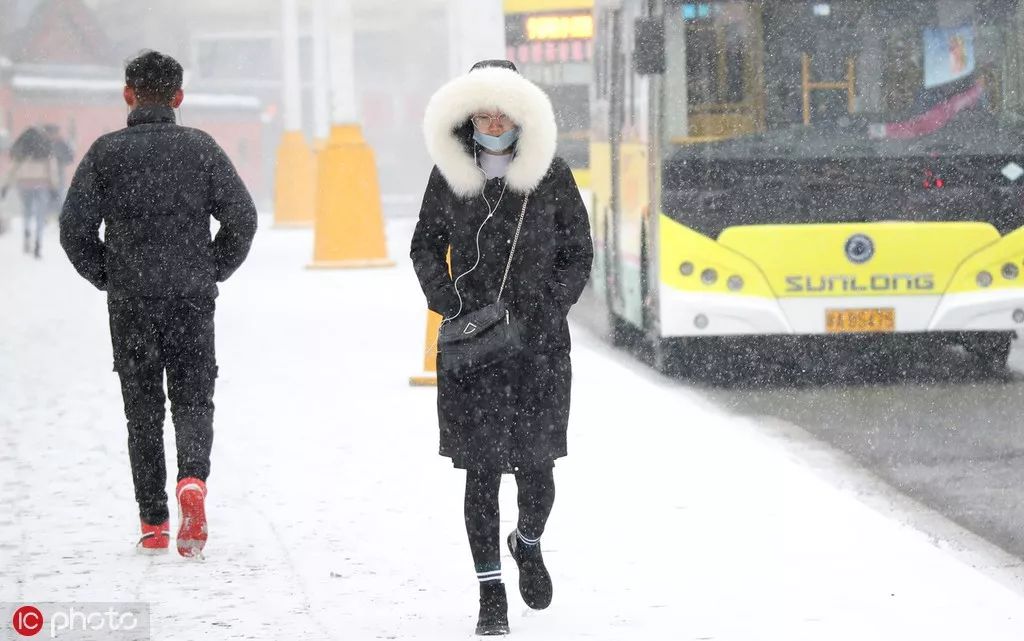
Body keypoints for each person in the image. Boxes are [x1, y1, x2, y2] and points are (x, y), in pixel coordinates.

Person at [411, 60, 593, 636]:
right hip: (474, 352)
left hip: (540, 348)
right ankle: (490, 592)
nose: (493, 123)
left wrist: (551, 308)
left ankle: (528, 542)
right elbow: (424, 248)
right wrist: (452, 305)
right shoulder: (448, 174)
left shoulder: (551, 173)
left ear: (522, 116)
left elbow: (578, 250)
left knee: (538, 468)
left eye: (503, 113)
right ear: (466, 117)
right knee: (481, 472)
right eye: (483, 113)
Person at [59, 50, 257, 558]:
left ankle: (153, 521)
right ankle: (192, 480)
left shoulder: (105, 153)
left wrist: (109, 276)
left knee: (142, 411)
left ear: (128, 94)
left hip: (131, 302)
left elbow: (74, 229)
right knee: (193, 399)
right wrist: (211, 268)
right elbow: (242, 217)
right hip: (191, 298)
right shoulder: (201, 148)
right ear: (179, 97)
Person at [1, 125, 58, 258]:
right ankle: (38, 240)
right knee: (40, 214)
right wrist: (54, 187)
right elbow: (52, 169)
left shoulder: (21, 148)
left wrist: (5, 186)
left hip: (24, 184)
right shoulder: (45, 147)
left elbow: (12, 169)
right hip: (41, 184)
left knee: (27, 211)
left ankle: (27, 231)